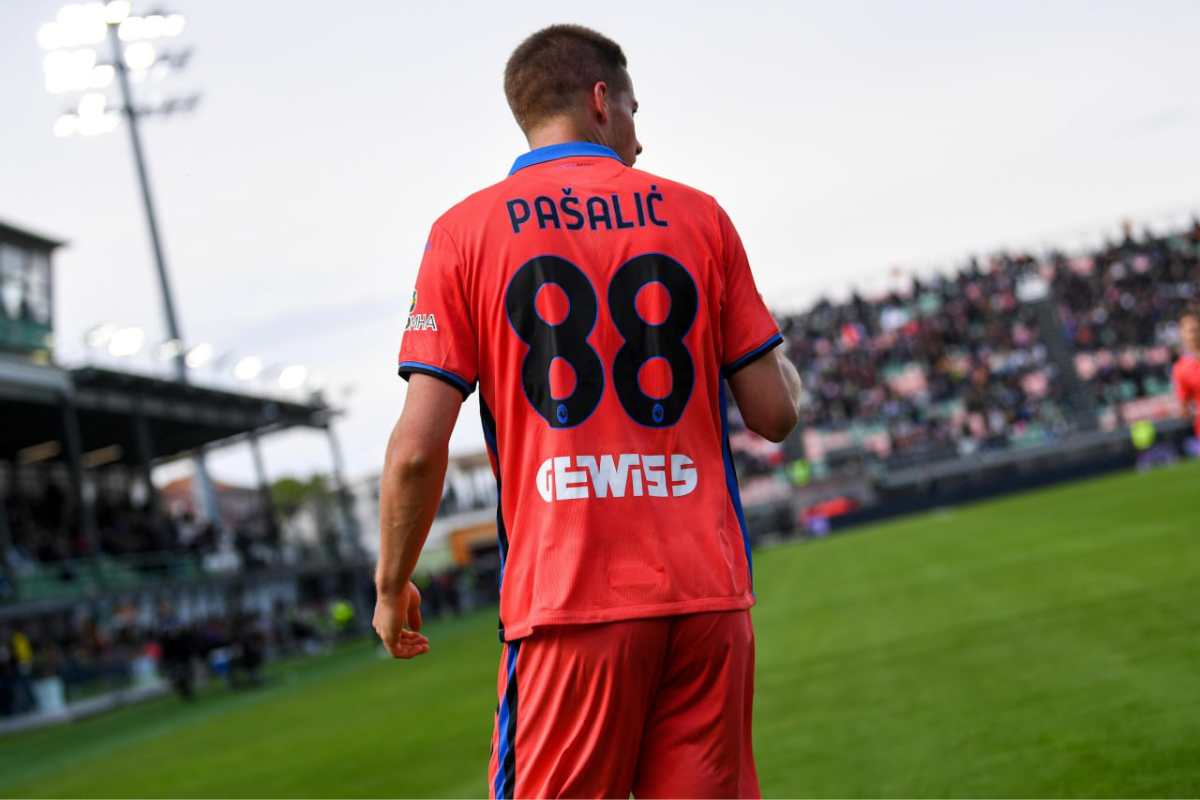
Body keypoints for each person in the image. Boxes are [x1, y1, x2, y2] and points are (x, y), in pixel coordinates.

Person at [373, 24, 802, 798]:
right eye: (635, 108)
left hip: (570, 599)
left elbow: (414, 450)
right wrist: (766, 348)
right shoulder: (699, 215)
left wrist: (390, 581)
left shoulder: (463, 233)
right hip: (707, 595)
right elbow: (773, 412)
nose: (640, 134)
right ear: (602, 102)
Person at [1173, 306, 1200, 440]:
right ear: (1182, 334)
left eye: (1196, 329)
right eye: (1190, 331)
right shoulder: (1181, 369)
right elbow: (1184, 408)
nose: (1194, 335)